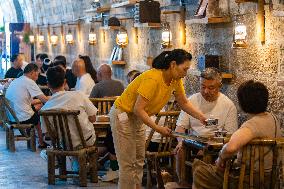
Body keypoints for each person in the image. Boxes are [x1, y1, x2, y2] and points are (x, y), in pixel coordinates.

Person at [109, 49, 206, 189]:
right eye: (185, 69)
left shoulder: (175, 79)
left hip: (137, 117)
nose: (186, 73)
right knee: (128, 164)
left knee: (138, 160)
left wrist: (201, 117)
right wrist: (158, 128)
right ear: (173, 64)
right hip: (123, 114)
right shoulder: (153, 78)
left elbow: (183, 102)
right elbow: (138, 109)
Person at [192, 80, 282, 189]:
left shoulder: (251, 125)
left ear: (243, 103)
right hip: (271, 179)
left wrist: (220, 158)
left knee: (199, 170)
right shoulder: (273, 118)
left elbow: (231, 148)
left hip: (247, 180)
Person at [174, 67, 238, 180]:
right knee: (180, 150)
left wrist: (212, 137)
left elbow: (230, 134)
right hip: (194, 141)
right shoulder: (192, 100)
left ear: (220, 86)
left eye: (211, 87)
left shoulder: (228, 105)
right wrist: (180, 141)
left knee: (203, 153)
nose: (206, 91)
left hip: (217, 146)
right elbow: (180, 127)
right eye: (202, 87)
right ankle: (182, 183)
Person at [41, 66, 97, 170]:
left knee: (56, 145)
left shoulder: (45, 108)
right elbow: (93, 118)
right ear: (65, 82)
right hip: (86, 140)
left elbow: (48, 135)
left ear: (48, 85)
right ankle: (84, 163)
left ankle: (75, 163)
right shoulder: (79, 95)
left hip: (64, 144)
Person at [5, 63, 50, 148]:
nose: (38, 75)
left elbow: (28, 101)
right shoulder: (29, 82)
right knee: (38, 117)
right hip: (21, 117)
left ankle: (37, 138)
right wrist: (55, 97)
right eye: (37, 73)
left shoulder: (17, 80)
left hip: (11, 117)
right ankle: (41, 142)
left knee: (36, 107)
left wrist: (44, 99)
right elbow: (44, 100)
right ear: (32, 72)